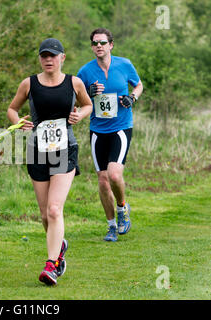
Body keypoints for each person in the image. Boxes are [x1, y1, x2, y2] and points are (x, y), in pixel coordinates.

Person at [7, 38, 92, 285]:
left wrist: (80, 114)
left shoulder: (73, 82)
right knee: (45, 215)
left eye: (53, 55)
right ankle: (60, 245)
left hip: (65, 149)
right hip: (37, 151)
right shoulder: (29, 83)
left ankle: (52, 265)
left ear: (62, 58)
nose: (48, 59)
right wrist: (18, 122)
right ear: (40, 58)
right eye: (44, 55)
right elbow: (13, 109)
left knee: (55, 209)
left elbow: (87, 104)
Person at [77, 28, 143, 242]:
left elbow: (139, 85)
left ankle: (122, 208)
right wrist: (89, 93)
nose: (99, 46)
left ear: (111, 45)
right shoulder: (85, 72)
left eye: (103, 43)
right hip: (98, 130)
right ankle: (112, 226)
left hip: (121, 127)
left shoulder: (124, 64)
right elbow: (78, 100)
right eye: (95, 43)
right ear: (92, 46)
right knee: (103, 181)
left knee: (114, 175)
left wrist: (132, 98)